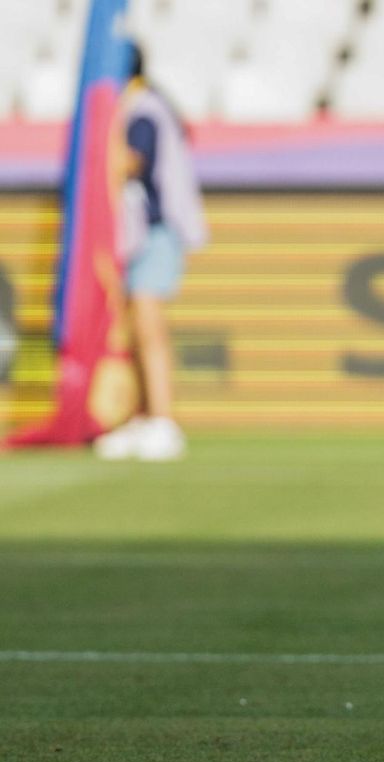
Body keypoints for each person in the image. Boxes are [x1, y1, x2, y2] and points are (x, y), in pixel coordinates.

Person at [94, 45, 207, 463]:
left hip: (155, 232)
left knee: (150, 327)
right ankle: (143, 416)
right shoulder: (144, 105)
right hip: (140, 233)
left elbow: (131, 163)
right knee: (135, 328)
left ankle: (164, 419)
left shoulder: (143, 110)